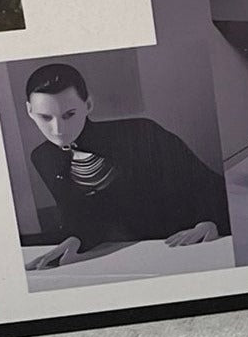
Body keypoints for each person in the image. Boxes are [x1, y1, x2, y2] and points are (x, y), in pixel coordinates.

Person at [22, 62, 230, 270]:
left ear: (88, 105)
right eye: (45, 117)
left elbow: (208, 185)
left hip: (189, 246)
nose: (58, 129)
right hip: (130, 255)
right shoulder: (44, 157)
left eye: (69, 114)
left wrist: (210, 222)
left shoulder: (141, 133)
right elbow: (82, 216)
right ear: (30, 111)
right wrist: (76, 239)